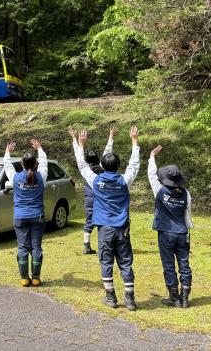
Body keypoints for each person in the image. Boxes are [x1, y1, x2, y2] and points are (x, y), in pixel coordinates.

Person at [75, 126, 140, 311]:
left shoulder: (95, 180)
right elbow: (134, 165)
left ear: (103, 166)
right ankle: (130, 300)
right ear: (118, 166)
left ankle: (110, 297)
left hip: (104, 229)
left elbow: (81, 165)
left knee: (106, 261)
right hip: (122, 229)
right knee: (125, 262)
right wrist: (134, 142)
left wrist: (81, 145)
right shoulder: (124, 180)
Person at [148, 145, 193, 308]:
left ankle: (174, 297)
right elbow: (188, 213)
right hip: (182, 232)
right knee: (184, 264)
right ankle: (185, 297)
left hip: (166, 233)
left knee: (168, 264)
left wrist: (152, 157)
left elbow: (151, 175)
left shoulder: (160, 190)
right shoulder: (186, 193)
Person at [4, 139, 48, 287]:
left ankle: (24, 279)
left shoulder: (16, 178)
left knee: (22, 247)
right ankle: (35, 278)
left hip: (20, 217)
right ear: (35, 164)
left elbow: (7, 166)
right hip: (37, 217)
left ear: (22, 164)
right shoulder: (41, 176)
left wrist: (8, 152)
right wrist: (40, 149)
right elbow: (44, 163)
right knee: (36, 247)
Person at [68, 125, 118, 255]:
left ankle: (86, 246)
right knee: (105, 220)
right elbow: (107, 152)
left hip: (89, 199)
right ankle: (108, 245)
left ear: (87, 160)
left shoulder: (86, 171)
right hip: (103, 199)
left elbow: (78, 157)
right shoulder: (103, 168)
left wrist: (76, 140)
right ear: (99, 160)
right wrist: (111, 136)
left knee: (89, 221)